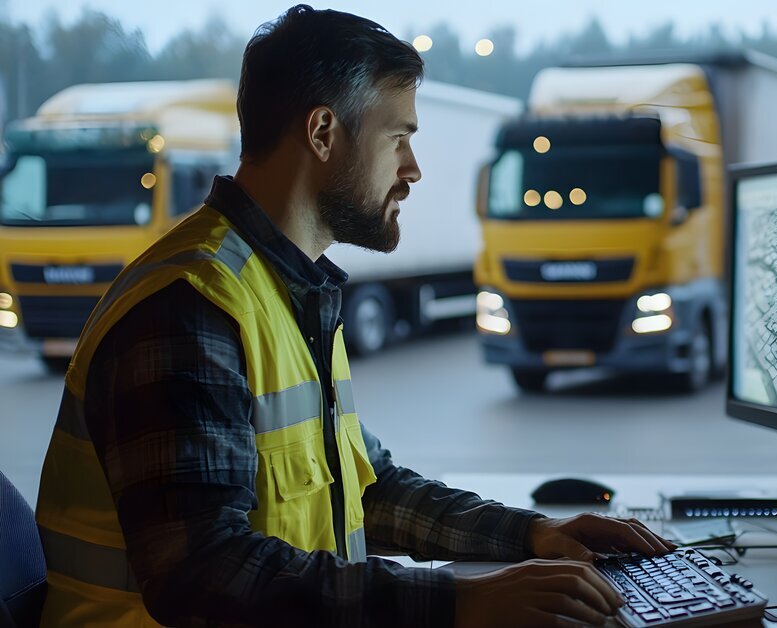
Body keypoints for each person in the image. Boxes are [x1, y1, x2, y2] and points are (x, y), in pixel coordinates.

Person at [34, 5, 675, 627]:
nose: (413, 169)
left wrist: (535, 533)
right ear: (322, 133)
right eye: (398, 138)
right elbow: (206, 570)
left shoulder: (286, 288)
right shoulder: (189, 306)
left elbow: (366, 490)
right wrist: (461, 603)